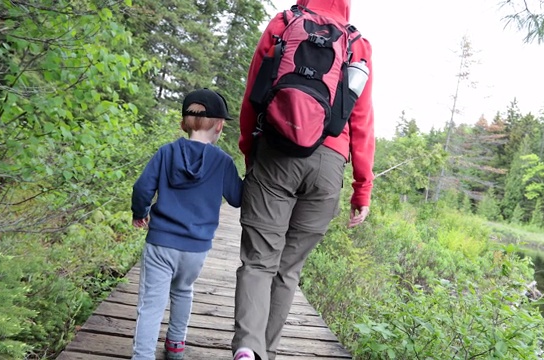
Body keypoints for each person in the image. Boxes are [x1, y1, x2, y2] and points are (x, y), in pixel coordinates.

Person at [231, 0, 375, 359]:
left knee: (259, 261)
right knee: (288, 269)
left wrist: (251, 150)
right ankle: (267, 353)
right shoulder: (357, 44)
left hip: (276, 151)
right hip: (328, 163)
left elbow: (254, 93)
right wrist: (363, 188)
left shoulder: (284, 22)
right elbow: (362, 121)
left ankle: (248, 349)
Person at [130, 88, 243, 360]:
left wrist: (140, 211)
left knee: (151, 304)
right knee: (183, 291)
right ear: (219, 126)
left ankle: (143, 356)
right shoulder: (223, 162)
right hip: (196, 249)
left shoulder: (166, 152)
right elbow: (238, 198)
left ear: (183, 123)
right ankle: (175, 346)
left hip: (161, 243)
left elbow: (143, 187)